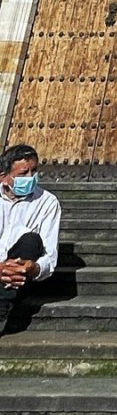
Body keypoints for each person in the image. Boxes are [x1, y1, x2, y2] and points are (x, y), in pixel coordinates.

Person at [1, 144, 61, 335]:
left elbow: (49, 256)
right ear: (4, 177)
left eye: (33, 171)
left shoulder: (47, 202)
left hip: (18, 278)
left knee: (31, 240)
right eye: (23, 173)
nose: (30, 178)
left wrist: (32, 267)